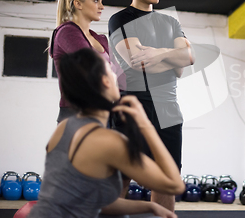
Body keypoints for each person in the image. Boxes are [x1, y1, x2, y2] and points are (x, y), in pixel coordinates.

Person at [28, 48, 185, 218]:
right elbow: (174, 185)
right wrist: (146, 125)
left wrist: (150, 207)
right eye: (111, 70)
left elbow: (85, 201)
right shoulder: (108, 141)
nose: (116, 73)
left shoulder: (65, 127)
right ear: (106, 81)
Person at [108, 0, 194, 212]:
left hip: (167, 106)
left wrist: (156, 53)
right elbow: (137, 62)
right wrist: (170, 56)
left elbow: (188, 60)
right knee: (122, 174)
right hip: (133, 104)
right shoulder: (120, 18)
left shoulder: (170, 22)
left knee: (168, 178)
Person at [50, 0, 110, 123]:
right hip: (75, 114)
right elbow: (92, 70)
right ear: (78, 4)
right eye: (96, 1)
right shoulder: (67, 32)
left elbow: (115, 75)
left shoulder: (100, 39)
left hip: (100, 113)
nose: (102, 7)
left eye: (101, 1)